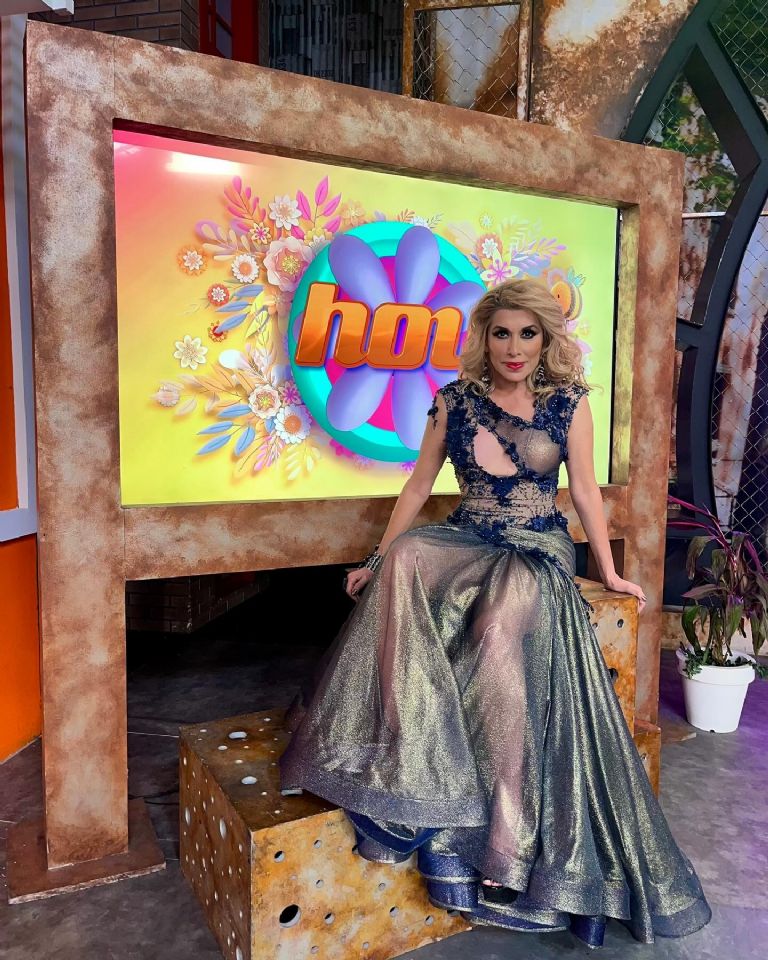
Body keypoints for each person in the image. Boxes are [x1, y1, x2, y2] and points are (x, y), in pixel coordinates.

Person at [279, 278, 711, 947]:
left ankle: (505, 839)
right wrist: (377, 556)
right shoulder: (454, 401)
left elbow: (586, 492)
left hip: (536, 544)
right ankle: (410, 759)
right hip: (469, 534)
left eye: (527, 334)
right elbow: (418, 486)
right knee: (407, 559)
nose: (514, 347)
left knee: (495, 627)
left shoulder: (569, 403)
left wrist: (608, 569)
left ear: (545, 340)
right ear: (484, 337)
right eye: (502, 333)